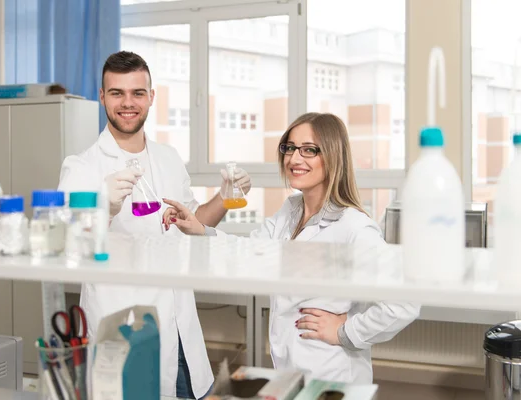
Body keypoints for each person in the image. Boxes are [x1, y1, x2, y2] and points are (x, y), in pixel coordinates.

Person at [162, 112, 420, 384]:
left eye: (309, 150)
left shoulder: (354, 227)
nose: (294, 159)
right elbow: (250, 252)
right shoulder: (290, 212)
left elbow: (405, 301)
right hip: (290, 366)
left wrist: (345, 331)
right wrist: (199, 229)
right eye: (290, 148)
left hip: (332, 373)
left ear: (332, 156)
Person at [57, 51, 251, 399]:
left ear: (151, 97)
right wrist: (105, 206)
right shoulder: (82, 168)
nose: (127, 103)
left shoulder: (168, 158)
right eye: (116, 93)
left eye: (137, 93)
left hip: (180, 330)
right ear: (102, 97)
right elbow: (66, 247)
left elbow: (192, 224)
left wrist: (224, 197)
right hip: (124, 332)